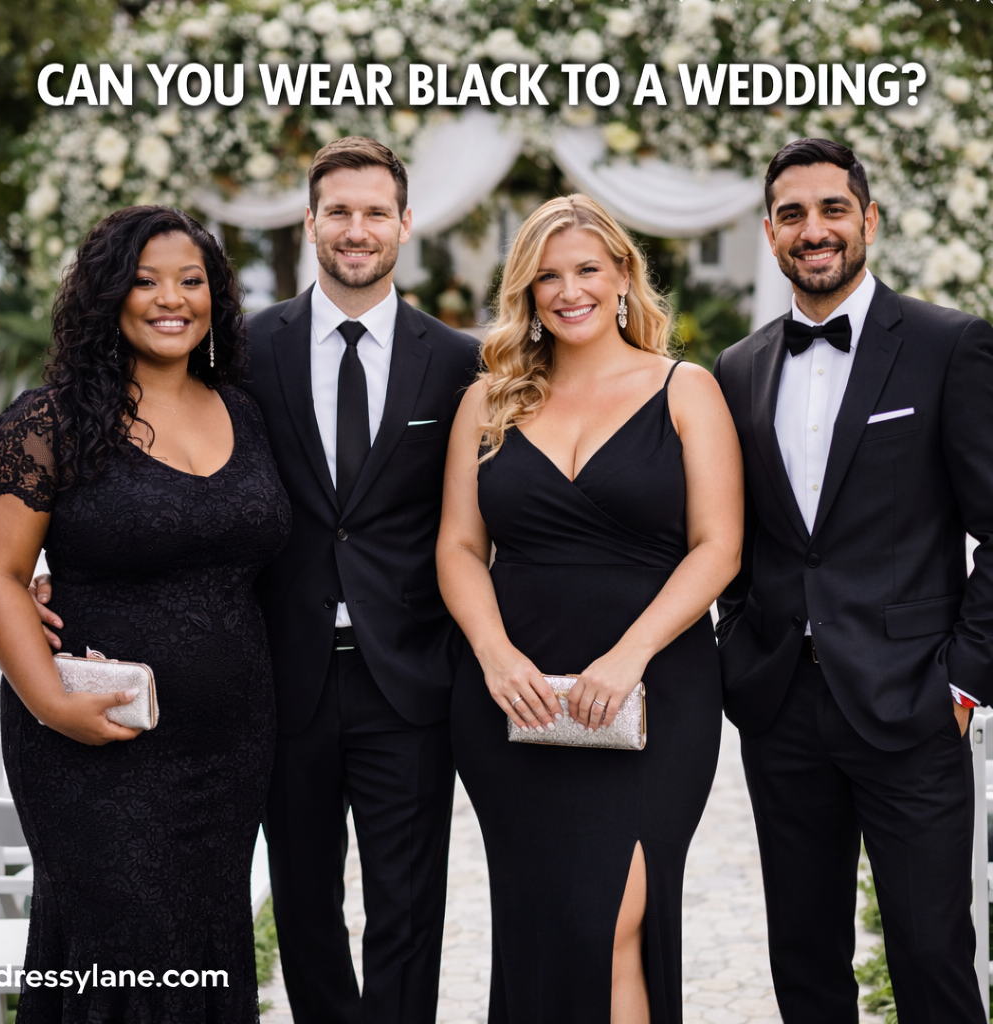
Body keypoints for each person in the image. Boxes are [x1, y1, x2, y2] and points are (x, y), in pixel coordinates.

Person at [0, 206, 291, 1021]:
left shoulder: (245, 414)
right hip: (94, 742)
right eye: (144, 281)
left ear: (215, 298)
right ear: (107, 296)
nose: (169, 299)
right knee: (121, 944)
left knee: (206, 943)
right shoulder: (48, 423)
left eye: (191, 281)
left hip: (230, 747)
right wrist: (50, 702)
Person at [437, 194, 744, 1023]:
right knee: (546, 926)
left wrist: (629, 654)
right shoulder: (489, 401)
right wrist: (496, 659)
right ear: (526, 293)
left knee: (612, 920)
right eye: (546, 277)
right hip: (516, 700)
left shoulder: (687, 390)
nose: (567, 290)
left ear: (621, 277)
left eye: (585, 270)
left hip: (654, 695)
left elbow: (718, 547)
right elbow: (459, 549)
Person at [713, 138, 993, 1024]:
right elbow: (742, 537)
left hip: (914, 703)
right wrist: (739, 649)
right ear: (769, 233)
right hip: (781, 706)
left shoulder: (950, 346)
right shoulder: (738, 367)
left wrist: (964, 680)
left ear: (868, 220)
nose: (815, 230)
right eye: (792, 214)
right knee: (803, 957)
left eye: (833, 209)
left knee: (932, 956)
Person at [242, 138, 478, 1023]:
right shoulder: (248, 350)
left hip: (409, 677)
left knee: (408, 909)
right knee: (304, 907)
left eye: (376, 211)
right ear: (309, 223)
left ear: (405, 224)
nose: (356, 229)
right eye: (338, 211)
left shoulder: (458, 363)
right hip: (283, 671)